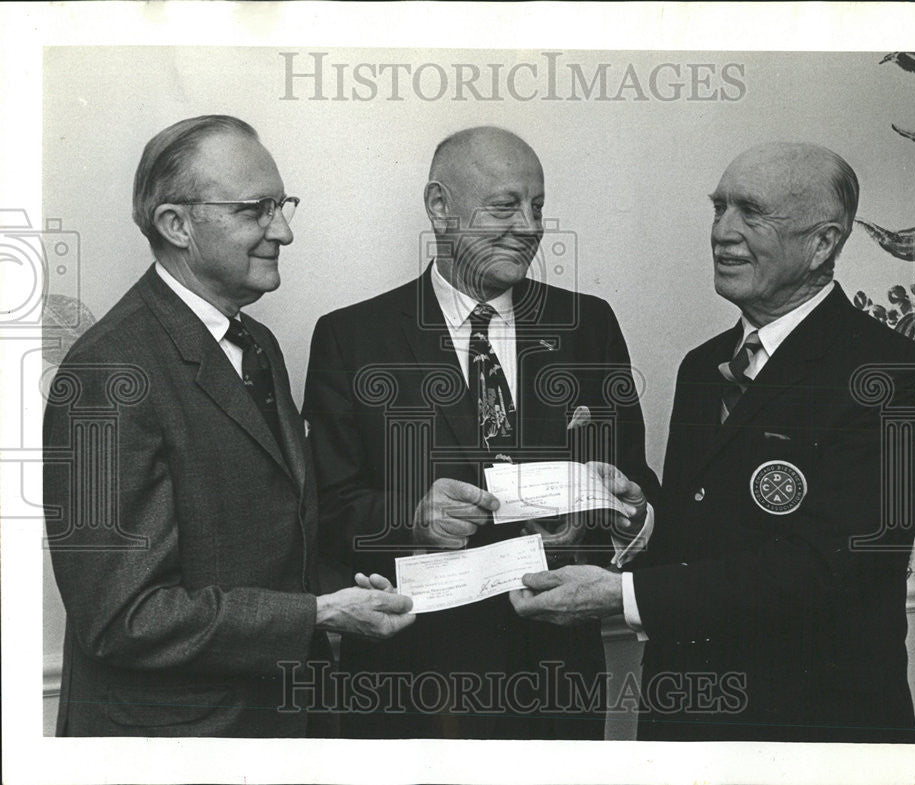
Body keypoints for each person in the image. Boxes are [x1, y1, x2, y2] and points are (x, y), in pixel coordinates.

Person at [510, 142, 915, 743]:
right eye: (718, 208)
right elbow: (707, 532)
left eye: (751, 212)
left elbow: (829, 569)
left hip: (813, 730)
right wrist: (640, 519)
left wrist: (626, 594)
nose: (722, 232)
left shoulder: (900, 379)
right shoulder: (703, 367)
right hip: (685, 719)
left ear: (823, 243)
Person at [43, 115, 414, 738]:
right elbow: (121, 617)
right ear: (176, 225)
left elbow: (264, 537)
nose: (285, 231)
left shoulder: (256, 344)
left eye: (282, 205)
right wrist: (317, 614)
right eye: (255, 210)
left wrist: (340, 593)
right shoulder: (106, 373)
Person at [303, 126, 658, 739]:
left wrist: (634, 515)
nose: (528, 226)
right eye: (505, 205)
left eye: (538, 206)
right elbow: (326, 507)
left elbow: (635, 478)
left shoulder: (589, 326)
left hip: (558, 675)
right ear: (439, 206)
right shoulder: (352, 338)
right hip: (410, 676)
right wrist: (412, 517)